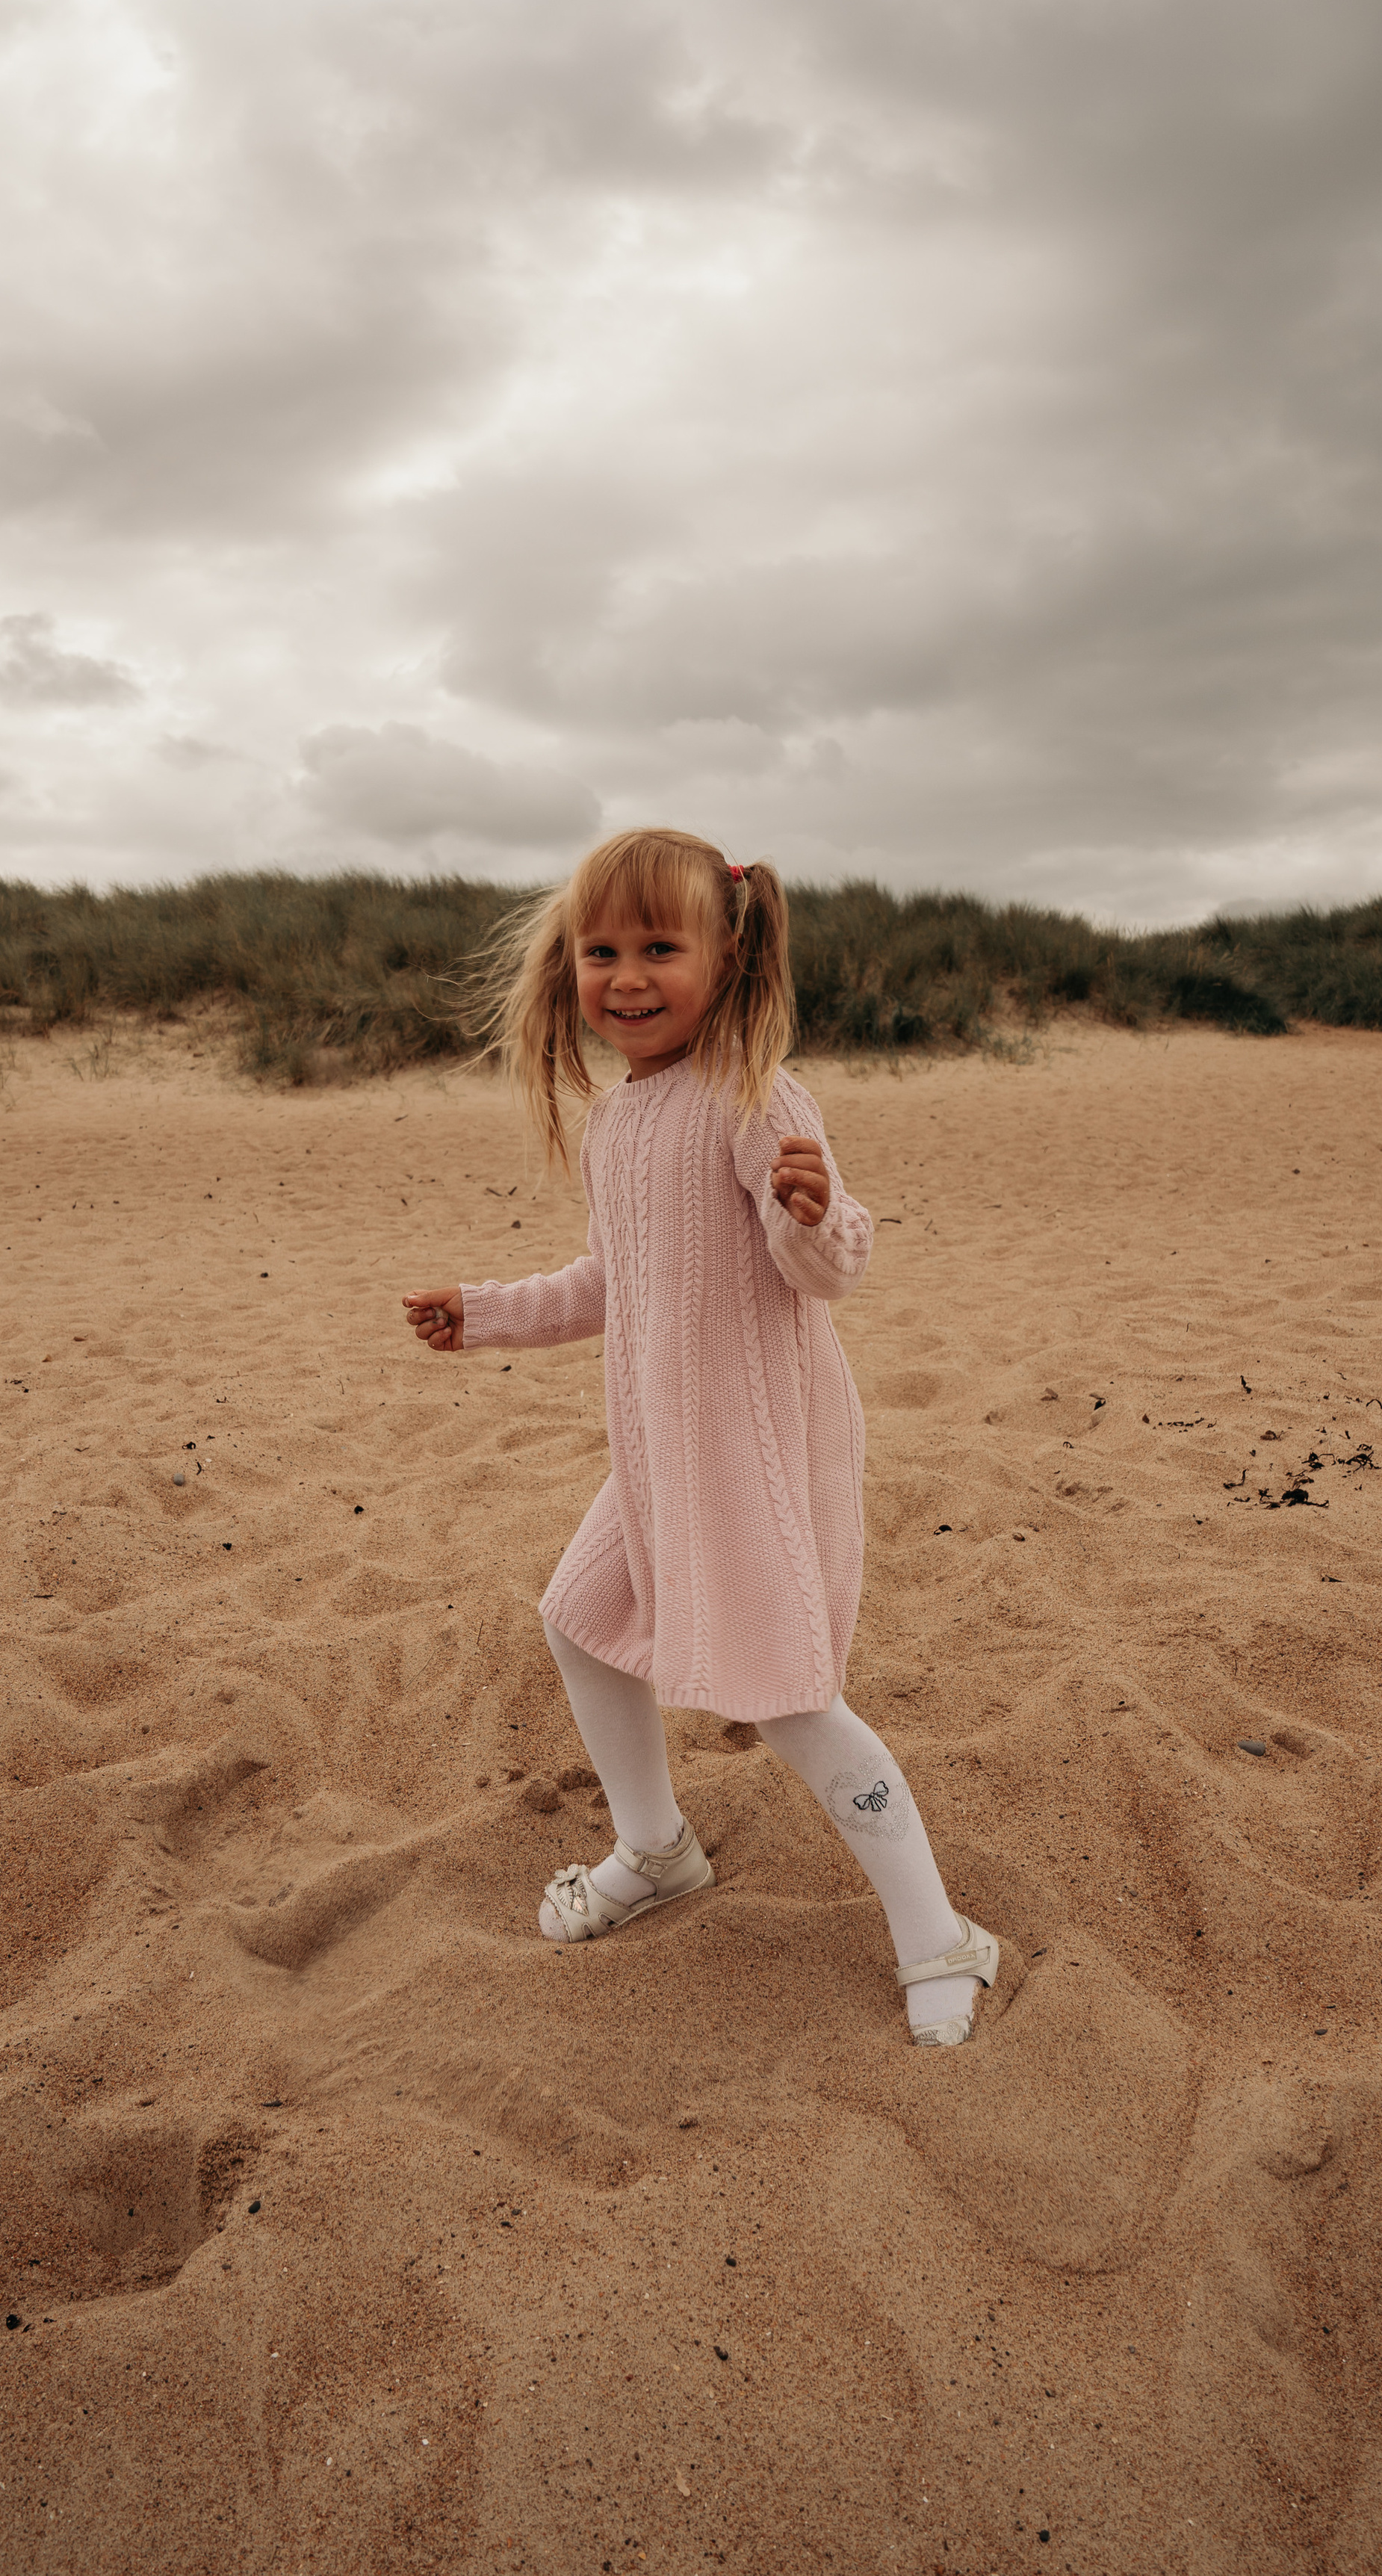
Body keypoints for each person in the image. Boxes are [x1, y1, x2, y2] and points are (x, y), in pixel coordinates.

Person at [402, 827, 999, 2046]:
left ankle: (939, 1931)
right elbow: (611, 1282)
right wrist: (485, 1317)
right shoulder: (623, 1122)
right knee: (578, 1619)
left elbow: (827, 1269)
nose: (625, 976)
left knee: (789, 1698)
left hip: (752, 1450)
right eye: (599, 950)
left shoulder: (751, 1094)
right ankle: (656, 1848)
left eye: (659, 948)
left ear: (727, 957)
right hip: (663, 1451)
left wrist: (815, 1212)